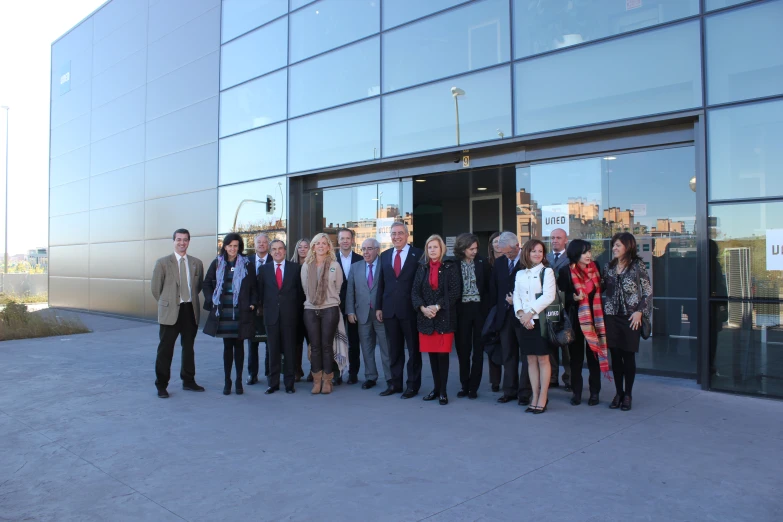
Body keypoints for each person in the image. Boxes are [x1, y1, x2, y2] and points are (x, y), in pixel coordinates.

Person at [151, 229, 206, 398]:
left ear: (189, 242)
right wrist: (168, 302)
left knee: (188, 348)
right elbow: (155, 289)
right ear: (173, 241)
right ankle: (161, 385)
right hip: (171, 311)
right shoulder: (162, 263)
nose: (182, 243)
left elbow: (198, 287)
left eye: (185, 240)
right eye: (179, 240)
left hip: (190, 310)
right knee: (165, 350)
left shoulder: (196, 263)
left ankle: (188, 381)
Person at [602, 232, 653, 411]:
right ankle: (618, 392)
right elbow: (600, 287)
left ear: (627, 246)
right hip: (611, 316)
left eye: (618, 245)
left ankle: (628, 394)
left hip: (631, 318)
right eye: (613, 245)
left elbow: (647, 292)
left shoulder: (637, 265)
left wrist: (640, 311)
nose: (614, 248)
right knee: (615, 356)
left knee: (628, 355)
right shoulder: (609, 267)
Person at [203, 233, 258, 396]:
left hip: (240, 311)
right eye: (230, 245)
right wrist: (211, 299)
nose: (233, 249)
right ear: (225, 247)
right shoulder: (217, 263)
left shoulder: (247, 264)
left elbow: (254, 287)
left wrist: (253, 304)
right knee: (228, 347)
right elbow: (206, 283)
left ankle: (239, 381)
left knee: (239, 347)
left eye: (236, 246)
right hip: (224, 310)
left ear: (239, 247)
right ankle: (227, 381)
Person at [375, 222, 425, 398]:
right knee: (394, 350)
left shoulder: (418, 254)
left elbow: (422, 284)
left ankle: (412, 385)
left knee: (413, 350)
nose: (396, 237)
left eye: (399, 233)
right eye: (393, 234)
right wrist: (379, 306)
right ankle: (395, 384)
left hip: (411, 310)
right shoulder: (385, 255)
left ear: (407, 235)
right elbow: (381, 283)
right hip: (389, 310)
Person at [558, 239, 609, 406]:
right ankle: (577, 393)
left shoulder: (595, 267)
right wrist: (573, 298)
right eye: (584, 252)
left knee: (593, 357)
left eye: (589, 251)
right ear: (575, 254)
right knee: (576, 359)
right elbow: (561, 295)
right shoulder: (566, 271)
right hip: (576, 321)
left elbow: (601, 290)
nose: (589, 255)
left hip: (594, 319)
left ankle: (594, 393)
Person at [412, 235, 460, 405]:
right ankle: (436, 388)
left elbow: (454, 292)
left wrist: (437, 307)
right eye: (429, 247)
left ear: (442, 249)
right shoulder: (422, 267)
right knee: (432, 355)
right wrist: (423, 308)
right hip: (426, 318)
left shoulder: (450, 266)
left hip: (444, 317)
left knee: (442, 355)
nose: (432, 250)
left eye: (435, 247)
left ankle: (443, 391)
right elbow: (415, 292)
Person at [513, 239, 556, 414]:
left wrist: (530, 312)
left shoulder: (547, 272)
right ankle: (534, 395)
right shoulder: (520, 274)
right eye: (533, 251)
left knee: (543, 359)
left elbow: (548, 296)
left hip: (541, 321)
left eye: (540, 251)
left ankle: (543, 397)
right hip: (525, 322)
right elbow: (517, 296)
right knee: (530, 360)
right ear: (527, 253)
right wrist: (521, 314)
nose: (537, 254)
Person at [489, 232, 533, 405]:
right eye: (503, 253)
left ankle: (524, 393)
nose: (507, 256)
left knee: (526, 355)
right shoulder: (499, 263)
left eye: (509, 252)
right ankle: (509, 390)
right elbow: (494, 289)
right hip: (505, 316)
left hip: (524, 316)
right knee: (508, 354)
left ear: (517, 246)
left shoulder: (527, 261)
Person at [257, 240, 305, 394]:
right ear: (270, 252)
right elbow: (261, 294)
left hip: (290, 317)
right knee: (273, 351)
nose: (277, 252)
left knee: (290, 350)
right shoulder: (264, 270)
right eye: (274, 249)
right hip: (271, 317)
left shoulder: (295, 268)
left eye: (280, 249)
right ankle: (273, 383)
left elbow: (300, 294)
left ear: (285, 251)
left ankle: (289, 384)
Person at [301, 233, 344, 394]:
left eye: (324, 243)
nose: (320, 246)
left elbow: (338, 288)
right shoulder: (306, 265)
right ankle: (316, 381)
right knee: (315, 346)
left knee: (327, 346)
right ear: (313, 246)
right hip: (311, 309)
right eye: (317, 243)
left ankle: (327, 380)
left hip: (330, 308)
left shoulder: (335, 265)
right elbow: (305, 288)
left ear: (328, 247)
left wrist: (327, 300)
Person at [346, 238, 390, 390]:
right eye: (363, 249)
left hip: (380, 313)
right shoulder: (355, 267)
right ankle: (371, 376)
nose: (366, 252)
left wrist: (385, 308)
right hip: (362, 313)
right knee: (366, 347)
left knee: (386, 347)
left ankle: (390, 377)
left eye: (369, 248)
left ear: (377, 250)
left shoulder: (384, 266)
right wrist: (350, 311)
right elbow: (350, 291)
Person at [454, 233, 491, 399]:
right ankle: (464, 384)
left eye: (476, 248)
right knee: (463, 350)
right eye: (471, 249)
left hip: (479, 311)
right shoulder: (453, 264)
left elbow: (489, 288)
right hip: (461, 312)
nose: (475, 251)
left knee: (478, 351)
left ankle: (474, 388)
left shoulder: (483, 263)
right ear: (462, 248)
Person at [337, 228, 363, 385]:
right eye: (342, 238)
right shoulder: (331, 259)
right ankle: (337, 373)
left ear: (352, 240)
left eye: (348, 238)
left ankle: (353, 373)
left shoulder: (360, 259)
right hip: (336, 306)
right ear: (338, 241)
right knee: (337, 341)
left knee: (354, 341)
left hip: (355, 306)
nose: (345, 241)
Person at [547, 228, 572, 391]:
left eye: (558, 238)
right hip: (550, 305)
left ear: (565, 241)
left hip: (567, 306)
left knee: (566, 344)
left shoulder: (571, 257)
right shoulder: (545, 257)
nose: (555, 240)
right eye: (553, 238)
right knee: (551, 342)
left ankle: (569, 378)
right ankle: (553, 377)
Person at [246, 233, 272, 385]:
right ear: (254, 245)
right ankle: (252, 373)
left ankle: (269, 373)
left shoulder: (274, 260)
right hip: (251, 309)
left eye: (264, 242)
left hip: (269, 308)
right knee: (252, 343)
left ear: (268, 245)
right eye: (259, 242)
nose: (262, 244)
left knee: (270, 342)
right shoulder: (246, 261)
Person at [289, 237, 311, 381]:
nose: (302, 249)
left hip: (310, 308)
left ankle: (314, 370)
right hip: (294, 309)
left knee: (312, 341)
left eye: (306, 247)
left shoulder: (314, 265)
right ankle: (297, 370)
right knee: (296, 342)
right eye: (300, 247)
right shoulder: (290, 265)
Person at [486, 231, 503, 392]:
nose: (497, 244)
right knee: (493, 345)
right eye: (495, 242)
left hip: (507, 308)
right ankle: (495, 381)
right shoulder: (487, 264)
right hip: (490, 310)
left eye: (500, 241)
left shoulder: (512, 262)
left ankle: (511, 380)